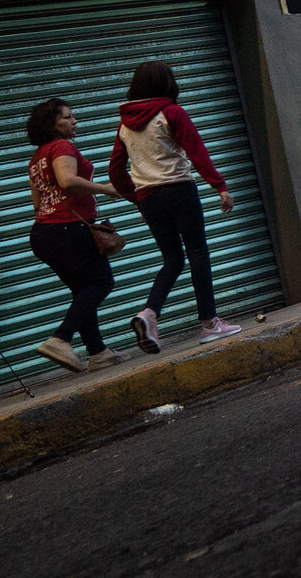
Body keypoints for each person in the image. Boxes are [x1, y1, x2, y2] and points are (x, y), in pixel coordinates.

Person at [108, 61, 240, 351]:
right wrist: (219, 186)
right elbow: (196, 151)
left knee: (172, 258)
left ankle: (149, 313)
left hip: (149, 198)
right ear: (167, 84)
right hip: (179, 190)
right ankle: (209, 324)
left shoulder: (125, 125)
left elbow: (116, 172)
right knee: (197, 253)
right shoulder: (171, 113)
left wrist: (137, 200)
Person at [25, 98, 125, 374]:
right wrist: (105, 188)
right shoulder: (62, 146)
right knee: (102, 281)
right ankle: (61, 338)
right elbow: (67, 181)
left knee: (83, 290)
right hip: (67, 229)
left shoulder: (36, 159)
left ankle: (98, 352)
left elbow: (37, 204)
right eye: (68, 117)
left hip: (44, 233)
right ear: (52, 124)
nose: (75, 121)